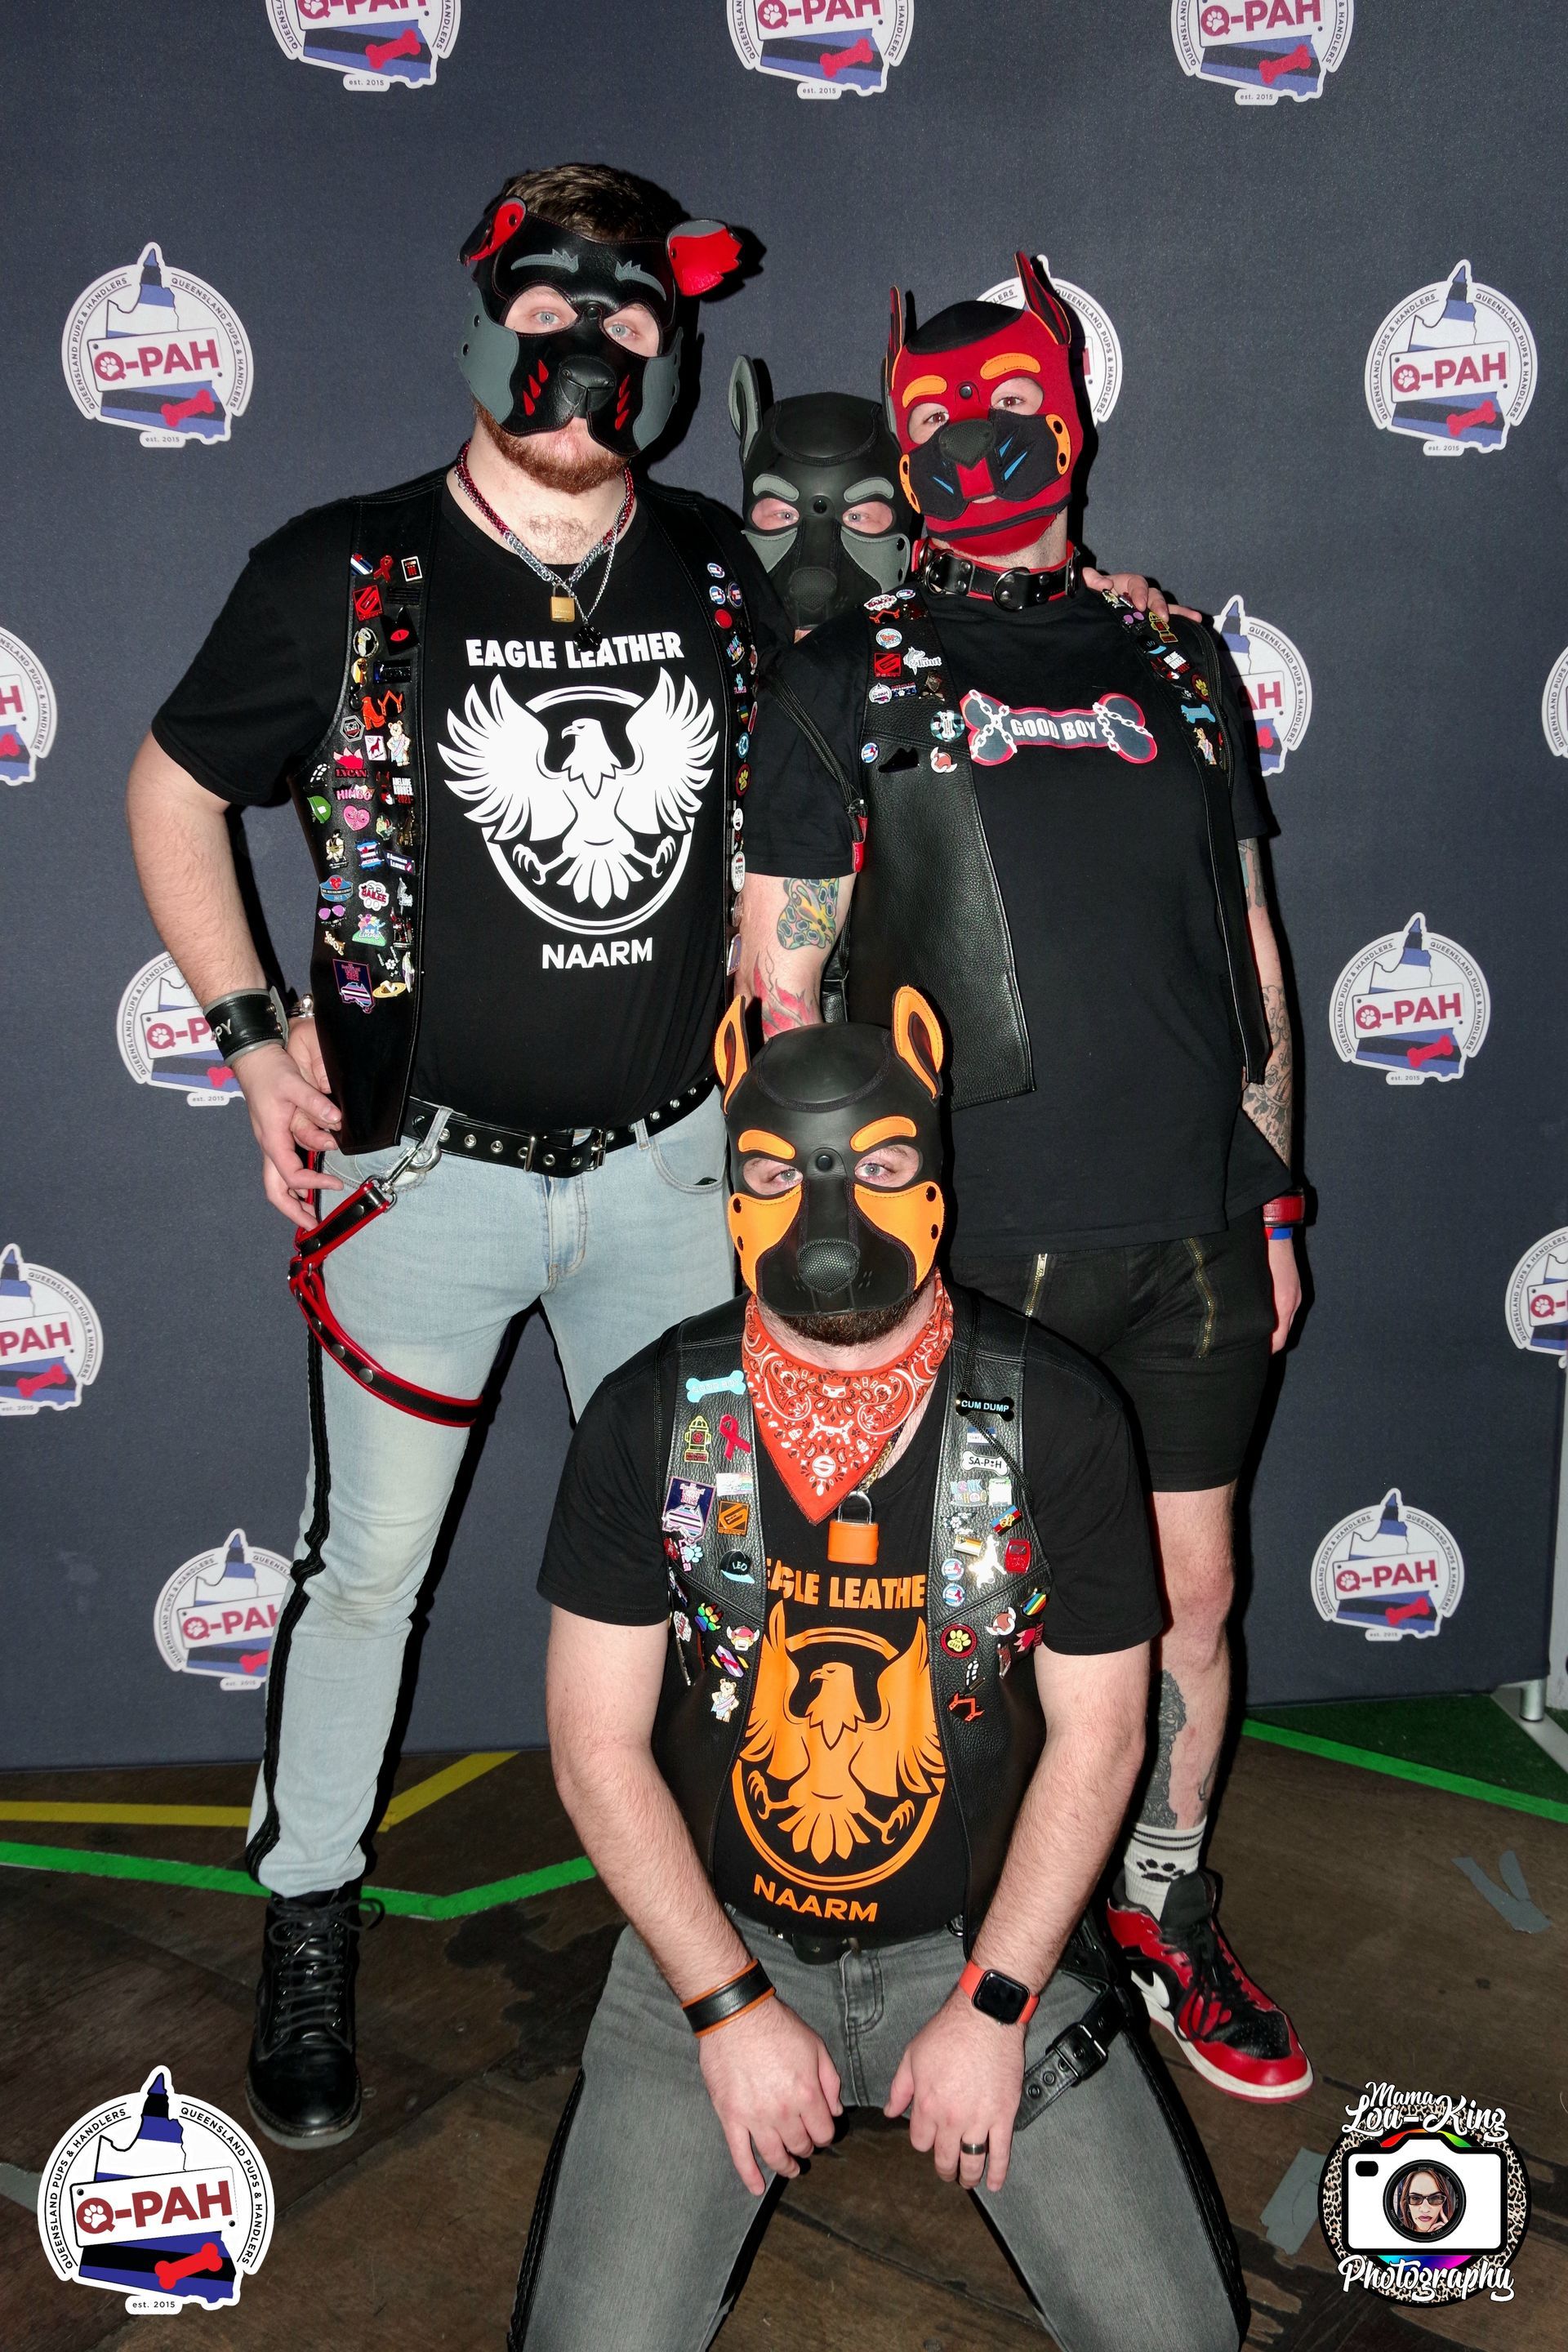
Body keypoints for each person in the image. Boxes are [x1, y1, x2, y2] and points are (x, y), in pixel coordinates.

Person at [124, 161, 791, 2153]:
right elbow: (173, 784)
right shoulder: (346, 572)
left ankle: (742, 1915)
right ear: (486, 323)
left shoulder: (720, 571)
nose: (590, 346)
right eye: (552, 307)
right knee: (366, 1574)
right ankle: (310, 1912)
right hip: (423, 1181)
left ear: (674, 353)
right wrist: (250, 1035)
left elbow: (794, 824)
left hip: (671, 1172)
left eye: (634, 315)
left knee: (707, 1564)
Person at [736, 252, 1311, 2102]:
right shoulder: (845, 674)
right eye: (932, 417)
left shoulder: (1177, 656)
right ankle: (963, 1941)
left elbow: (1247, 939)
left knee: (1193, 1602)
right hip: (967, 1242)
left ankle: (1163, 1900)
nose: (969, 441)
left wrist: (1274, 1194)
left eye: (1004, 407)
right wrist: (822, 1260)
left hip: (1191, 1224)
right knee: (954, 1621)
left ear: (1072, 417)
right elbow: (781, 994)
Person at [507, 996, 1247, 2351]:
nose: (829, 1210)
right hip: (721, 1942)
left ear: (938, 1187)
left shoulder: (1055, 1414)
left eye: (881, 1164)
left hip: (987, 1939)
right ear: (735, 1198)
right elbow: (594, 1752)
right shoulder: (652, 1416)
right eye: (779, 1171)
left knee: (1176, 2338)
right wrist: (725, 2007)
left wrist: (998, 2003)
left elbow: (1102, 1741)